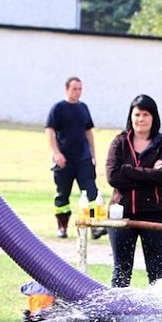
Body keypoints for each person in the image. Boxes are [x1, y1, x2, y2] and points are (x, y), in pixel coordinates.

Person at [105, 94, 162, 287]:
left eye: (145, 114)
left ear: (153, 117)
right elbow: (112, 177)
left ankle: (160, 316)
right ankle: (116, 314)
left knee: (156, 271)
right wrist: (149, 174)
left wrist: (127, 171)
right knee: (121, 270)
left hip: (156, 216)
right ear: (131, 116)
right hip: (121, 215)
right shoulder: (119, 142)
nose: (141, 119)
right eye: (137, 114)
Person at [45, 76, 103, 239]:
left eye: (80, 89)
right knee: (63, 194)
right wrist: (56, 153)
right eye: (74, 89)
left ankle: (94, 227)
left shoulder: (83, 108)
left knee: (91, 192)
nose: (77, 92)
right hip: (64, 160)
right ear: (67, 89)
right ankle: (62, 227)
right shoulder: (58, 108)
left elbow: (88, 132)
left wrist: (93, 154)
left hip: (83, 159)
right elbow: (49, 130)